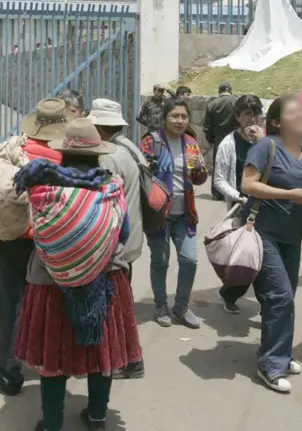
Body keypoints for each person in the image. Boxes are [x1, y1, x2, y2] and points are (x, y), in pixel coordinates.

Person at [13, 118, 141, 431]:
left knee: (53, 358)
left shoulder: (43, 188)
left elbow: (35, 230)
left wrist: (67, 250)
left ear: (63, 153)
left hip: (50, 283)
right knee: (100, 352)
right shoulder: (111, 187)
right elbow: (123, 233)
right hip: (105, 280)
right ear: (98, 154)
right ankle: (97, 417)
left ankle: (52, 423)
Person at [240, 97, 302, 393]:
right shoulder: (266, 146)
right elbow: (248, 185)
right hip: (264, 232)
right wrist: (290, 194)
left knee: (286, 295)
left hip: (294, 234)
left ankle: (280, 351)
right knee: (280, 296)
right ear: (277, 122)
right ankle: (270, 364)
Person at [0, 98, 69, 396]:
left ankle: (8, 372)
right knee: (50, 306)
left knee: (11, 306)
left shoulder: (16, 150)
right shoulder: (66, 156)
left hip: (14, 239)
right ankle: (49, 365)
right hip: (51, 242)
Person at [89, 98, 148, 380]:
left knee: (114, 309)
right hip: (130, 240)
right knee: (121, 304)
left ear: (99, 127)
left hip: (116, 246)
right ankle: (125, 359)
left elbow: (104, 202)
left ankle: (126, 361)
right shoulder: (129, 147)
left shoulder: (107, 155)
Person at [139, 98, 208, 329]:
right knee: (160, 261)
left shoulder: (190, 143)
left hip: (184, 214)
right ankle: (161, 306)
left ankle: (181, 306)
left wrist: (198, 168)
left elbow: (199, 179)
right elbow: (142, 175)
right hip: (159, 214)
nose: (179, 121)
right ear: (165, 117)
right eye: (174, 116)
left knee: (190, 260)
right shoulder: (151, 141)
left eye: (183, 116)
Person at [213, 94, 265, 314]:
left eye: (256, 114)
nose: (252, 119)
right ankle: (229, 294)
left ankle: (268, 303)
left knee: (265, 259)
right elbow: (219, 180)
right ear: (238, 117)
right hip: (242, 210)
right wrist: (239, 197)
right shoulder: (229, 143)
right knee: (244, 258)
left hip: (267, 208)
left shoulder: (266, 141)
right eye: (246, 114)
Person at [205, 82, 239, 200]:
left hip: (218, 137)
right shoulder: (236, 101)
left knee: (218, 165)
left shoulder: (212, 104)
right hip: (235, 137)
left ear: (219, 91)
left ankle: (217, 193)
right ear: (230, 90)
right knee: (234, 164)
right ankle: (233, 191)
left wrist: (210, 139)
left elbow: (207, 126)